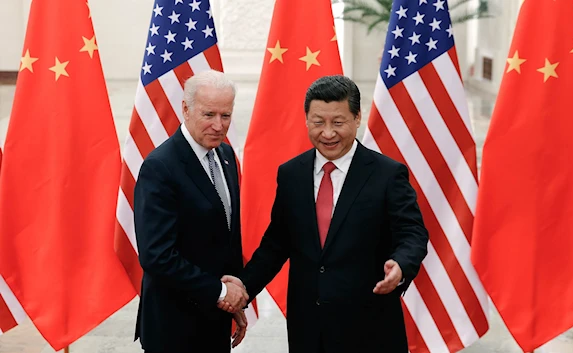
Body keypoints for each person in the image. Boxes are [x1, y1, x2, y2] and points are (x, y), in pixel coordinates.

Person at [222, 75, 429, 353]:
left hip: (370, 329)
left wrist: (401, 264)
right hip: (309, 328)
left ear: (357, 118)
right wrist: (242, 289)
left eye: (338, 122)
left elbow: (412, 233)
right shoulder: (291, 173)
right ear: (307, 120)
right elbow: (277, 244)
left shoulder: (387, 174)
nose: (328, 133)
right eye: (318, 122)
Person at [134, 70, 249, 353]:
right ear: (185, 109)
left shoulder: (225, 156)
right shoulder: (160, 167)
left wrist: (234, 297)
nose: (218, 126)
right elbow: (157, 256)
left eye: (226, 115)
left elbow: (227, 235)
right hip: (173, 327)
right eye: (209, 114)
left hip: (215, 320)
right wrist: (221, 292)